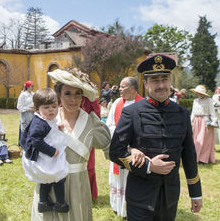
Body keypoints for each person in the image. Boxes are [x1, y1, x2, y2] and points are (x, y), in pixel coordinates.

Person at [110, 54, 202, 221]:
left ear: (170, 81)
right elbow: (115, 152)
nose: (161, 85)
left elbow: (189, 155)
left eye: (164, 79)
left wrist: (196, 193)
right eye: (155, 80)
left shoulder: (182, 114)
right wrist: (149, 166)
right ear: (145, 83)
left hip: (170, 197)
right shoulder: (131, 112)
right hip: (140, 197)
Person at [29, 68, 111, 221]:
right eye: (67, 93)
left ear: (83, 96)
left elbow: (111, 147)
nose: (73, 99)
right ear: (58, 95)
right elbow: (31, 147)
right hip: (50, 181)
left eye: (77, 94)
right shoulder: (46, 119)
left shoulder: (91, 121)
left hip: (78, 185)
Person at [22, 88, 69, 213]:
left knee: (46, 180)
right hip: (44, 156)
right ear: (37, 108)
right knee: (58, 177)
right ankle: (60, 203)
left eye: (54, 106)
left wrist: (58, 126)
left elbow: (50, 127)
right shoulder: (39, 123)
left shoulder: (46, 119)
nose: (51, 110)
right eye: (46, 107)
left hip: (48, 155)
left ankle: (43, 203)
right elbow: (35, 140)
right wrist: (51, 151)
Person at [106, 76, 143, 218]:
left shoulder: (143, 104)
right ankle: (117, 205)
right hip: (119, 147)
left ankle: (130, 209)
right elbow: (109, 124)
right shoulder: (116, 103)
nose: (120, 89)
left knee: (131, 179)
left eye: (123, 87)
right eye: (120, 87)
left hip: (135, 151)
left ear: (133, 88)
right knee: (118, 179)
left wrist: (130, 144)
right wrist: (121, 141)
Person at [190, 85, 217, 164]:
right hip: (196, 122)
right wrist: (190, 121)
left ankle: (203, 158)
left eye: (200, 92)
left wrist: (213, 122)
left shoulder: (209, 100)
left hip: (205, 121)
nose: (198, 94)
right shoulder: (195, 100)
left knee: (204, 140)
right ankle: (197, 157)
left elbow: (212, 112)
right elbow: (193, 112)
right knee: (196, 140)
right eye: (197, 92)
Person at [17, 80, 35, 145]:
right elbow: (19, 107)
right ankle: (23, 146)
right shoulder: (23, 95)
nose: (33, 87)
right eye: (31, 86)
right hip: (25, 116)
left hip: (33, 115)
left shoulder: (34, 94)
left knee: (32, 131)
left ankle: (30, 145)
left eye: (33, 86)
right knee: (24, 131)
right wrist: (28, 109)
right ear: (27, 87)